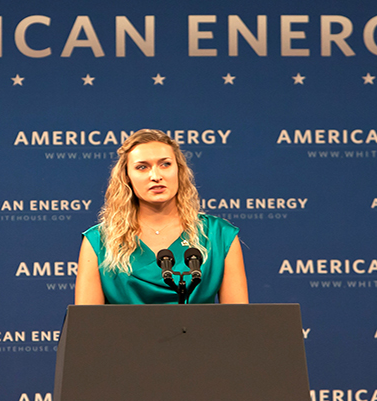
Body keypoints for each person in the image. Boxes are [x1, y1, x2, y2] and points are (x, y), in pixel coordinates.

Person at [75, 129, 248, 304]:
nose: (156, 176)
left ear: (179, 170)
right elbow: (86, 326)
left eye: (165, 164)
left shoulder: (219, 235)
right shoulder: (99, 241)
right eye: (142, 167)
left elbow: (238, 323)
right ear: (127, 176)